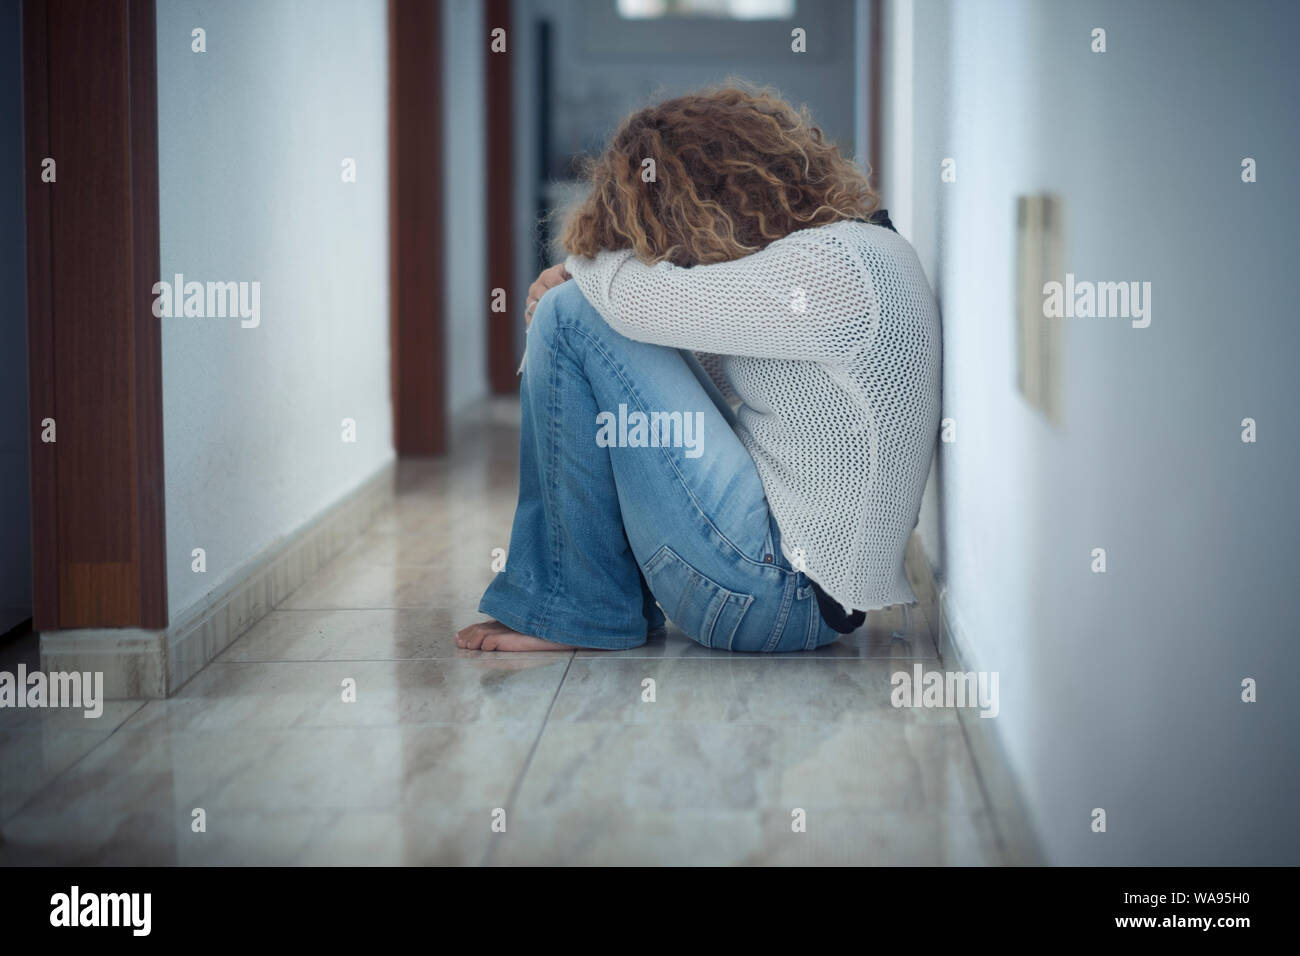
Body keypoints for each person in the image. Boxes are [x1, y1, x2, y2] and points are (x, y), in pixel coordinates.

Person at [456, 85, 941, 653]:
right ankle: (588, 598)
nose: (670, 251)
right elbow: (685, 347)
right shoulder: (850, 252)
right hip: (789, 590)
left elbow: (632, 307)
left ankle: (576, 606)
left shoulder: (833, 267)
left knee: (571, 314)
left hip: (774, 595)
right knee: (584, 315)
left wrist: (577, 272)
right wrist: (586, 293)